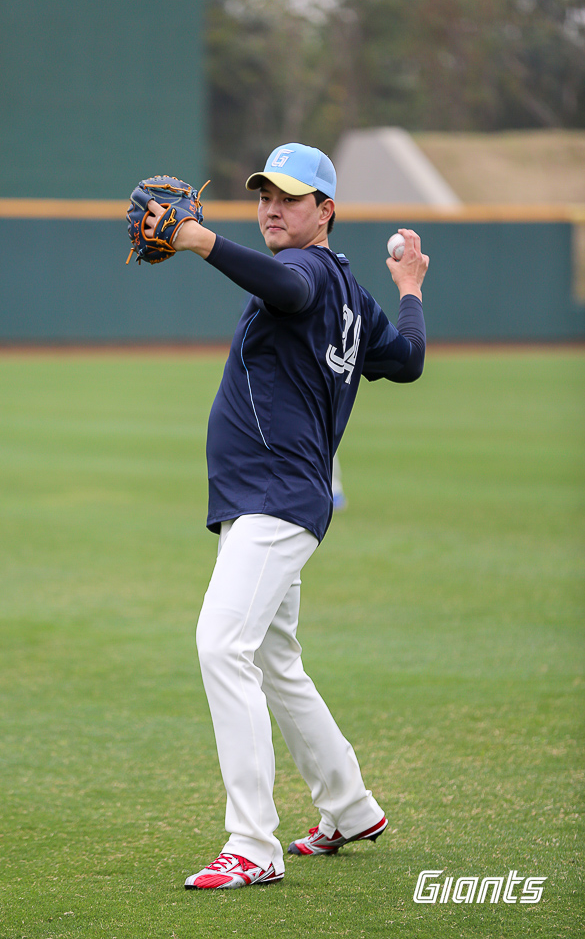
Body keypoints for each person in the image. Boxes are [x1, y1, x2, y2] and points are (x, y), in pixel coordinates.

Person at [144, 142, 429, 890]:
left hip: (273, 497)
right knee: (274, 659)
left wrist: (201, 240)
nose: (272, 207)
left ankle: (252, 844)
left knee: (220, 645)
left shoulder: (304, 272)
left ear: (325, 210)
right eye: (264, 194)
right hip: (275, 497)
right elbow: (404, 361)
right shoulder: (355, 294)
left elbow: (285, 286)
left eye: (291, 197)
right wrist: (408, 287)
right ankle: (351, 805)